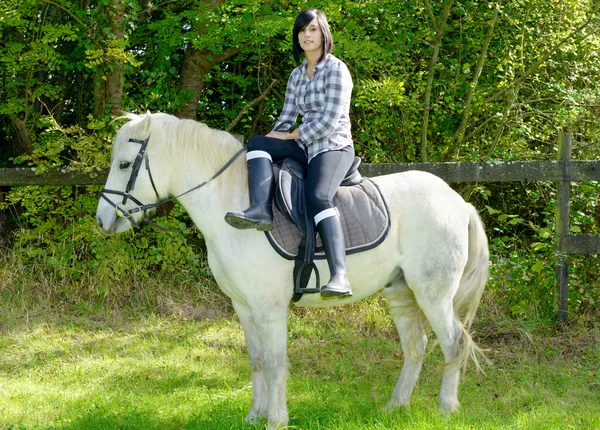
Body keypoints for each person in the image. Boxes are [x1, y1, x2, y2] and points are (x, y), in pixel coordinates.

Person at [225, 8, 355, 299]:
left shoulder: (336, 69)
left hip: (333, 145)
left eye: (312, 29)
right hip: (304, 145)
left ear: (323, 33)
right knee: (257, 144)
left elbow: (327, 122)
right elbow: (286, 118)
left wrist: (291, 135)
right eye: (301, 31)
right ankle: (260, 211)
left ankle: (340, 275)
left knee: (318, 195)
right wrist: (270, 138)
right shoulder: (297, 75)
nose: (306, 35)